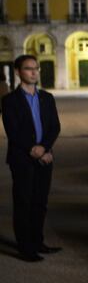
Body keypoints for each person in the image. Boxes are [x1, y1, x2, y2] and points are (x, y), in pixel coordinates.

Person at [1, 55, 61, 262]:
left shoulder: (47, 98)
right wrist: (33, 149)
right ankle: (25, 248)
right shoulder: (9, 101)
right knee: (23, 203)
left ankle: (37, 242)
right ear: (18, 72)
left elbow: (54, 127)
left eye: (36, 68)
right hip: (22, 159)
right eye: (28, 69)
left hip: (45, 157)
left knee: (40, 203)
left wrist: (44, 149)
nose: (34, 72)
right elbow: (13, 131)